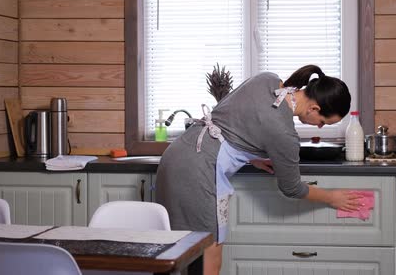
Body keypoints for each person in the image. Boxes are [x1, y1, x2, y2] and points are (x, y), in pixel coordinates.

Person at [155, 65, 362, 275]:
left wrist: (252, 157)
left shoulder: (267, 80)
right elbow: (292, 188)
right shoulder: (284, 133)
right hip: (199, 171)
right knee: (210, 252)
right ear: (314, 108)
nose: (319, 127)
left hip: (175, 158)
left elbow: (232, 121)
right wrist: (331, 197)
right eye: (323, 122)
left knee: (179, 249)